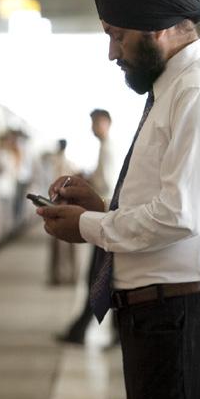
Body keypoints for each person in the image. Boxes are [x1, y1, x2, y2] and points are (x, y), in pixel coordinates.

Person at [36, 0, 200, 399]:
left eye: (117, 36)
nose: (111, 53)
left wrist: (88, 227)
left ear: (157, 28)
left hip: (186, 318)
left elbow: (184, 214)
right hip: (169, 315)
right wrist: (102, 209)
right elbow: (175, 204)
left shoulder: (199, 91)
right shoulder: (177, 91)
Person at [57, 109, 120, 345]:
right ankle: (82, 331)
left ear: (107, 123)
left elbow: (109, 184)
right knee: (100, 277)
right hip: (103, 217)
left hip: (106, 218)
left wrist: (88, 183)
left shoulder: (109, 148)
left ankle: (81, 331)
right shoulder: (105, 148)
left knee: (98, 277)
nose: (93, 128)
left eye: (97, 123)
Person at [47, 139, 77, 285]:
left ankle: (56, 277)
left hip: (55, 203)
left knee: (56, 240)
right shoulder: (68, 163)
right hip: (68, 202)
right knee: (71, 239)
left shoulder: (56, 161)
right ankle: (72, 276)